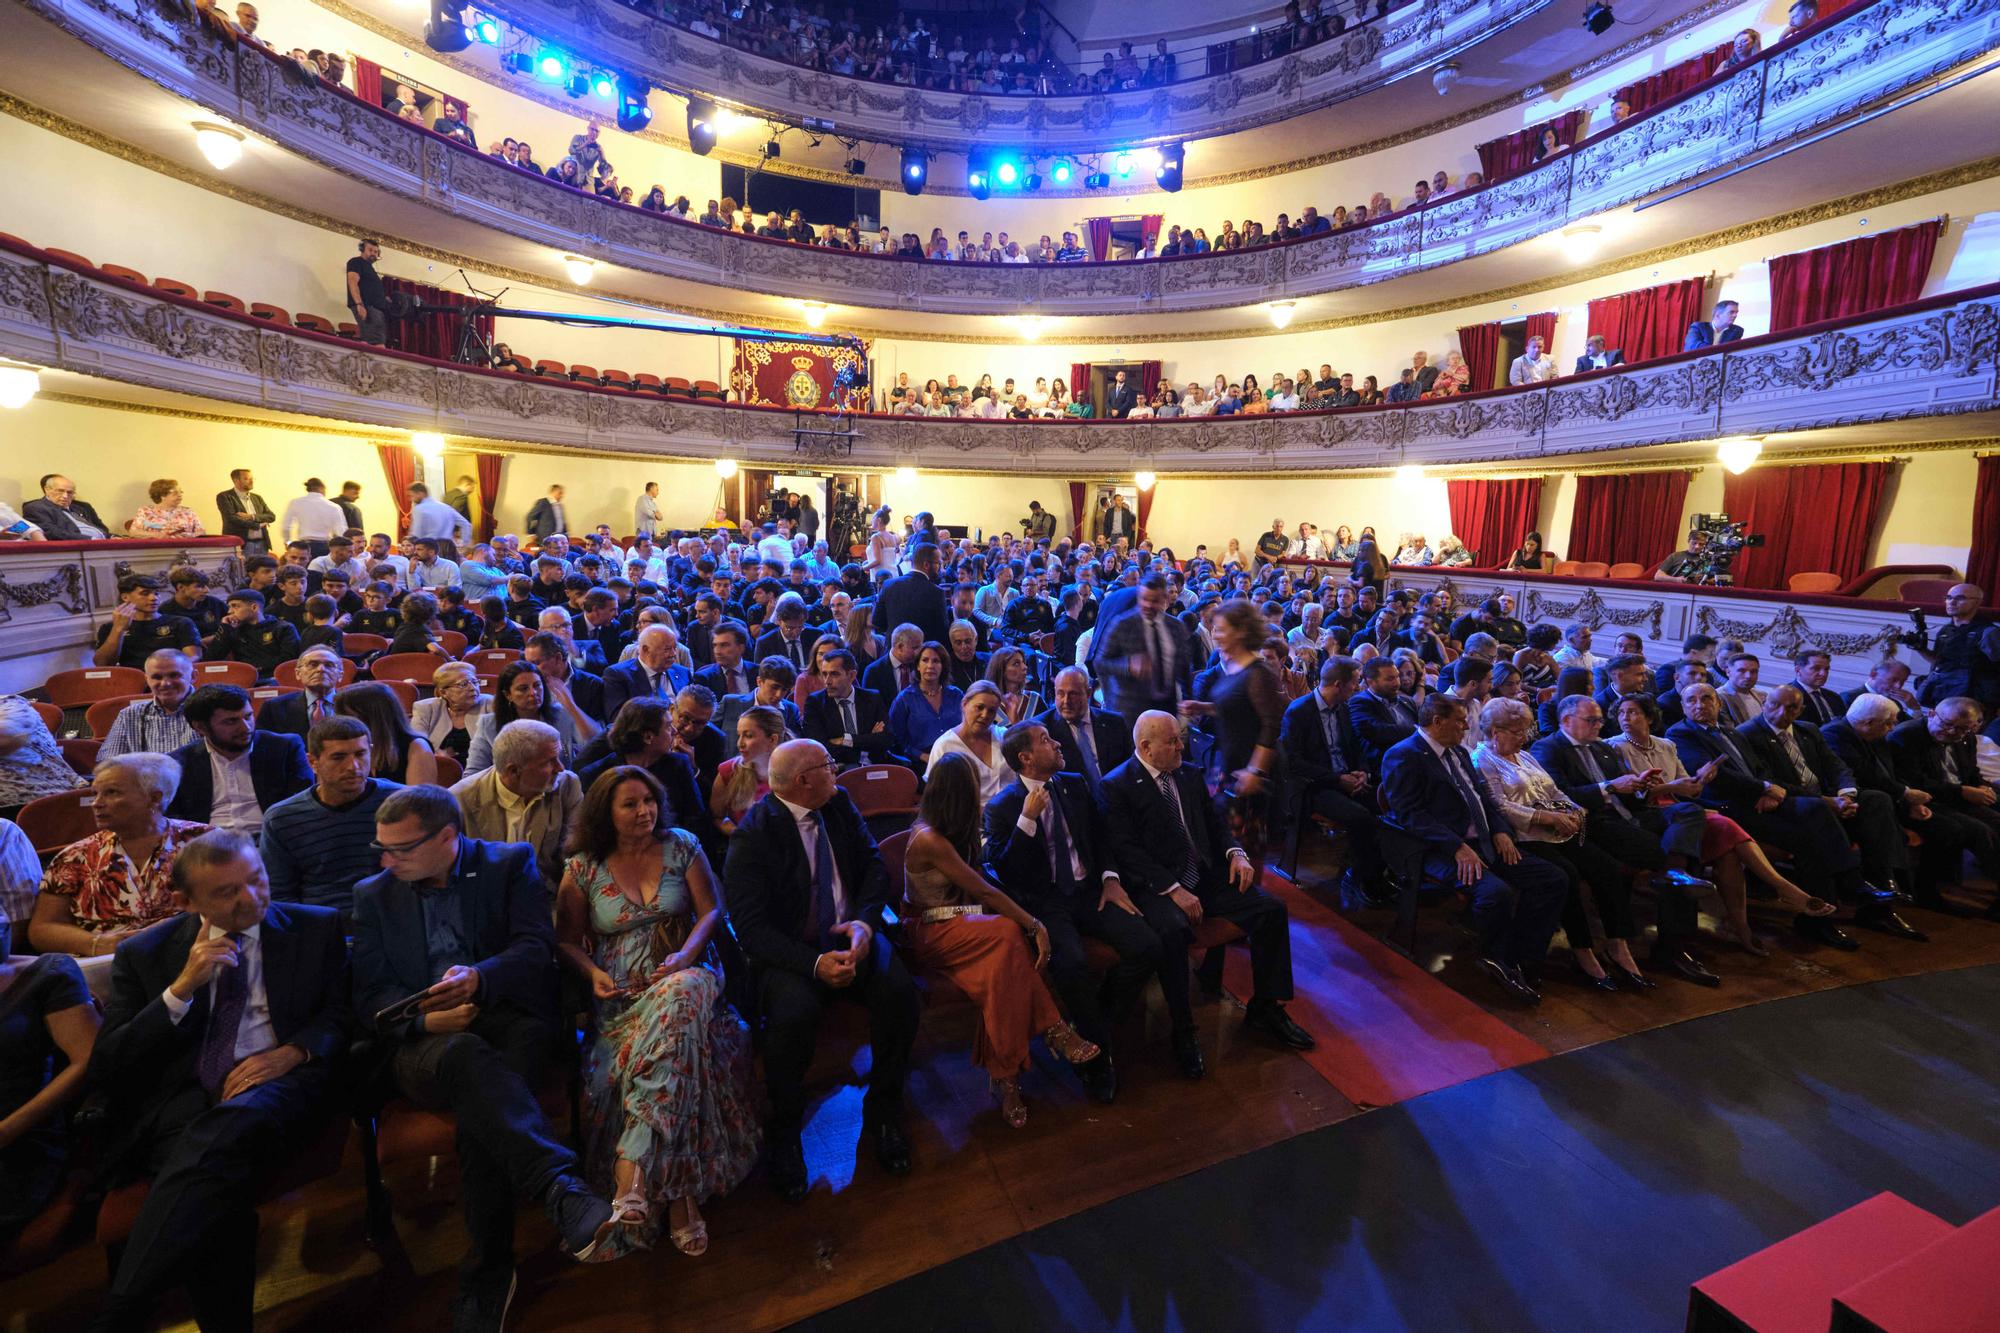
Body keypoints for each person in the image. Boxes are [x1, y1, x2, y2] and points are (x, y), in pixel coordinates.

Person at [352, 785, 621, 1319]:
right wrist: (426, 1017)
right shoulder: (374, 894)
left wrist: (479, 978)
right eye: (380, 848)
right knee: (465, 1064)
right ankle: (559, 1189)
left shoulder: (505, 865)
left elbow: (532, 949)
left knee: (485, 1116)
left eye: (400, 849)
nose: (386, 860)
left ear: (448, 837)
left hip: (505, 1018)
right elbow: (369, 996)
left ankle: (491, 1273)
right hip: (427, 1041)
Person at [86, 829, 350, 1333]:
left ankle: (120, 1312)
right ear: (186, 902)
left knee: (226, 1129)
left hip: (280, 1083)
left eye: (257, 880)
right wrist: (180, 990)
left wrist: (294, 1051)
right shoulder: (147, 954)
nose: (251, 899)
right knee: (217, 1197)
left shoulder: (315, 928)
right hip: (185, 1095)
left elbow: (340, 1014)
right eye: (227, 892)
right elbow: (111, 1063)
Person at [554, 764, 759, 1257]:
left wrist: (686, 956)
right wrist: (593, 974)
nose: (644, 811)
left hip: (690, 970)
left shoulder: (682, 844)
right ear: (607, 811)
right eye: (630, 804)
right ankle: (681, 1195)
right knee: (678, 1050)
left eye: (649, 801)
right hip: (623, 993)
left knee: (684, 993)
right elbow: (565, 939)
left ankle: (632, 1169)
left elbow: (712, 911)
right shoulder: (582, 866)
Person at [721, 740, 921, 1201]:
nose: (838, 772)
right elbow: (750, 928)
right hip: (793, 952)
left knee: (900, 995)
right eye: (829, 767)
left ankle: (885, 1111)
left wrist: (866, 925)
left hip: (852, 933)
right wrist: (813, 963)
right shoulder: (756, 834)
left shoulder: (838, 803)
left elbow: (873, 868)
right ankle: (786, 1131)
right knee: (793, 1017)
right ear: (802, 781)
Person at [1103, 711, 1315, 1080]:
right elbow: (1126, 850)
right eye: (1172, 741)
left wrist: (1236, 852)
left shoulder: (1186, 773)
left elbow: (1215, 823)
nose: (1181, 746)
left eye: (1179, 738)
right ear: (1145, 747)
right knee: (1171, 934)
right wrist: (1173, 889)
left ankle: (1265, 1007)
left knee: (1271, 909)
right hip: (1156, 887)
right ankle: (1183, 1032)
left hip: (1203, 876)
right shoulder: (1117, 785)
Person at [1669, 683, 1890, 949]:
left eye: (1706, 698)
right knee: (1815, 812)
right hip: (1729, 808)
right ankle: (1849, 883)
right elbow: (1719, 779)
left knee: (1813, 836)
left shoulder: (1730, 732)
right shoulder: (1681, 733)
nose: (1699, 704)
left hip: (1759, 802)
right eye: (1690, 700)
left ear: (1718, 703)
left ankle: (1820, 919)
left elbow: (1758, 768)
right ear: (1682, 706)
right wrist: (1762, 788)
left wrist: (1767, 790)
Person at [1380, 695, 1570, 1003]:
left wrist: (1501, 830)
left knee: (1553, 879)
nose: (1467, 725)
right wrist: (1455, 846)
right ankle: (1494, 956)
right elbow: (1411, 814)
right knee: (1495, 893)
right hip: (1435, 848)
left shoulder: (1459, 752)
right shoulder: (1404, 755)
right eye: (1459, 719)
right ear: (1437, 722)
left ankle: (1522, 955)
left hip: (1481, 840)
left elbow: (1484, 798)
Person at [1474, 697, 1656, 990]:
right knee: (1567, 876)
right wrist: (1544, 817)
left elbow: (1554, 789)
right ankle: (1582, 951)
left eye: (1525, 730)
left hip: (1557, 831)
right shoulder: (1481, 759)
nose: (1524, 737)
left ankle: (1617, 944)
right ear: (1496, 732)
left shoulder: (1525, 756)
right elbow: (1499, 806)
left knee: (1607, 868)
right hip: (1525, 837)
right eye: (1518, 731)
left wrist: (1573, 810)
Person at [29, 754, 207, 957]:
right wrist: (96, 943)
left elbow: (235, 904)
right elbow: (42, 929)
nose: (97, 803)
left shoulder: (205, 843)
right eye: (95, 794)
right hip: (101, 967)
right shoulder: (74, 857)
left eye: (112, 793)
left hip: (191, 953)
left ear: (154, 798)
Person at [0, 946, 97, 1246]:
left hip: (21, 1139)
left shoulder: (46, 972)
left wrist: (5, 1131)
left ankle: (73, 1185)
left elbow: (88, 1060)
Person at [259, 716, 398, 921]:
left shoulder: (400, 803)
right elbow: (279, 895)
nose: (353, 766)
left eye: (361, 754)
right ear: (313, 762)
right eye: (338, 757)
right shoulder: (282, 818)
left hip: (391, 919)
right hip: (318, 925)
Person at [1179, 602, 1284, 864]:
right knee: (1223, 840)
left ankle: (1249, 900)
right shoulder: (1233, 667)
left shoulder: (1259, 673)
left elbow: (1272, 724)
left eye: (1222, 629)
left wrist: (1255, 771)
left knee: (1244, 846)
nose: (1216, 634)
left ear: (1241, 631)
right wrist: (1202, 707)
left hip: (1249, 773)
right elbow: (1238, 708)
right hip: (1228, 765)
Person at [1280, 656, 1384, 898]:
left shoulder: (1343, 709)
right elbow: (1294, 764)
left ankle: (1372, 868)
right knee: (1361, 818)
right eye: (1356, 682)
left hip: (1344, 779)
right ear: (1339, 684)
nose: (1359, 687)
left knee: (1387, 800)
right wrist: (1337, 780)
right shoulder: (1299, 712)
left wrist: (1361, 772)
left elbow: (1356, 747)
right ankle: (1361, 877)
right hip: (1315, 786)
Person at [452, 720, 583, 899]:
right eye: (549, 762)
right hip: (483, 901)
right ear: (513, 771)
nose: (560, 768)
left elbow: (575, 853)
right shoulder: (460, 800)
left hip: (546, 896)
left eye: (558, 757)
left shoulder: (567, 785)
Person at [165, 685, 313, 836]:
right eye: (231, 721)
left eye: (248, 716)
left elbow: (301, 803)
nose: (246, 727)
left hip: (271, 839)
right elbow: (172, 818)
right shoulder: (179, 762)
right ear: (200, 727)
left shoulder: (284, 748)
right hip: (207, 845)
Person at [1034, 665, 1132, 795]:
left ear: (1088, 693)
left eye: (1072, 694)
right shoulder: (1042, 729)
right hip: (1072, 807)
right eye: (1060, 693)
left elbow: (1129, 768)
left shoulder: (1114, 723)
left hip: (1117, 799)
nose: (1066, 701)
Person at [468, 662, 580, 774]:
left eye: (537, 685)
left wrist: (572, 707)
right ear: (508, 695)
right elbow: (473, 773)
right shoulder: (488, 725)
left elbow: (589, 744)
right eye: (523, 688)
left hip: (557, 785)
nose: (533, 692)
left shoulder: (561, 714)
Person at [1910, 584, 2000, 711]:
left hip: (1972, 701)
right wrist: (1920, 648)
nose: (1952, 602)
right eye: (1948, 597)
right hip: (1944, 693)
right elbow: (1939, 661)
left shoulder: (1988, 632)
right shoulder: (1946, 630)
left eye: (1960, 598)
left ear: (1977, 602)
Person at [802, 648, 897, 768]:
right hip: (839, 768)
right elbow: (819, 748)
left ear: (851, 675)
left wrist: (846, 739)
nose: (827, 681)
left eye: (834, 674)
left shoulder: (872, 698)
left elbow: (887, 740)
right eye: (824, 674)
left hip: (876, 764)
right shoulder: (815, 703)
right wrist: (868, 739)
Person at [337, 681, 440, 787]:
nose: (343, 722)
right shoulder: (348, 744)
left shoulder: (417, 746)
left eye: (348, 716)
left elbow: (419, 800)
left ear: (373, 716)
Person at [927, 681, 1012, 806]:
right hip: (966, 819)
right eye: (980, 707)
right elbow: (937, 797)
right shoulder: (944, 745)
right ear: (964, 704)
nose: (985, 715)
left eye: (991, 711)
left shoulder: (1003, 736)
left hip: (1009, 816)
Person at [100, 649, 197, 758]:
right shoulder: (129, 715)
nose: (165, 683)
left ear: (193, 676)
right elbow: (109, 762)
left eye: (174, 675)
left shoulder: (211, 709)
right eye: (157, 677)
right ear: (147, 680)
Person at [94, 574, 201, 670]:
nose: (153, 598)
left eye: (157, 593)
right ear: (125, 597)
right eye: (145, 593)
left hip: (171, 677)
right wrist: (118, 630)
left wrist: (166, 672)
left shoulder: (180, 623)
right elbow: (103, 664)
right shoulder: (109, 628)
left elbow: (194, 657)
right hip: (133, 682)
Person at [254, 644, 345, 740]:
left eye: (329, 665)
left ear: (340, 675)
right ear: (298, 673)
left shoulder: (355, 706)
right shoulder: (274, 707)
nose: (321, 669)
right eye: (313, 665)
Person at [871, 541, 951, 643]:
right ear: (926, 565)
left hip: (894, 651)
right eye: (938, 563)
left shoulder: (889, 585)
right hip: (922, 653)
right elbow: (942, 631)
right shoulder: (936, 592)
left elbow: (877, 622)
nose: (941, 568)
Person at [413, 661, 491, 766]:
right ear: (444, 692)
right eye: (463, 684)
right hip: (437, 769)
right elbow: (415, 744)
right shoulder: (426, 708)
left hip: (481, 771)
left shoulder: (490, 705)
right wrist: (434, 755)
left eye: (475, 682)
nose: (473, 688)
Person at [22, 474, 111, 540]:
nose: (65, 496)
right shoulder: (36, 507)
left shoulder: (83, 507)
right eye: (60, 491)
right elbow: (51, 533)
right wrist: (91, 540)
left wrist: (112, 537)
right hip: (77, 548)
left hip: (103, 544)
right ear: (47, 489)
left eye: (69, 492)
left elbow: (102, 528)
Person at [215, 468, 277, 556]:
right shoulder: (225, 497)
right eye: (247, 479)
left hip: (262, 543)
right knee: (243, 569)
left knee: (262, 569)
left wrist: (251, 516)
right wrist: (257, 525)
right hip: (242, 545)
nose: (251, 481)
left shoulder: (257, 498)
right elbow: (231, 518)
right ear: (236, 480)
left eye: (252, 479)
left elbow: (271, 516)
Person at [346, 238, 390, 345]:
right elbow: (352, 282)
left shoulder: (370, 269)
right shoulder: (356, 262)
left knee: (374, 340)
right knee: (375, 341)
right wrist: (359, 304)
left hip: (374, 309)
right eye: (370, 250)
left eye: (376, 252)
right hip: (367, 307)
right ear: (362, 249)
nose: (373, 254)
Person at [126, 479, 205, 538]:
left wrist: (188, 536)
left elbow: (201, 532)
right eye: (175, 493)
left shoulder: (188, 512)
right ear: (162, 496)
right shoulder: (145, 511)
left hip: (184, 548)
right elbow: (133, 532)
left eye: (181, 492)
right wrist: (156, 535)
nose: (180, 495)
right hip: (156, 550)